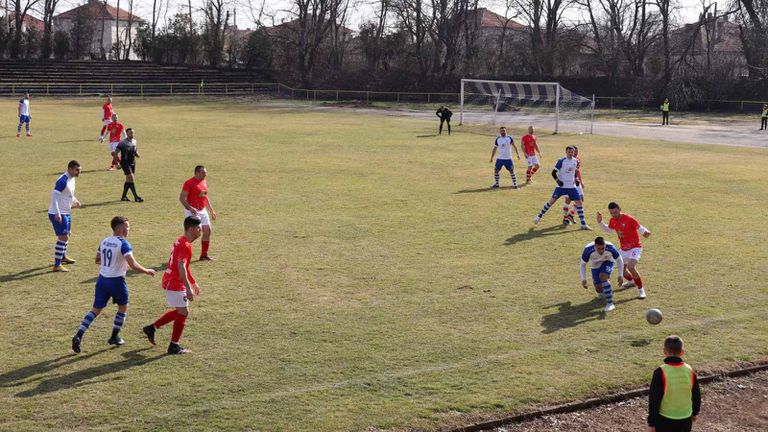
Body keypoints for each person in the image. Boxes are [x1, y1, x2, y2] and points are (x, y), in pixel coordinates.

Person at [71, 216, 156, 353]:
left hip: (102, 280)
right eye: (127, 227)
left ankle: (78, 335)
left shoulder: (104, 241)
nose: (129, 229)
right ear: (121, 228)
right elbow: (133, 265)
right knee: (123, 308)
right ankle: (114, 336)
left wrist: (115, 263)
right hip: (116, 281)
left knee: (95, 310)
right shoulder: (124, 244)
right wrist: (147, 271)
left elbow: (98, 260)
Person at [143, 216, 203, 354]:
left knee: (180, 311)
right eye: (199, 228)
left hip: (172, 280)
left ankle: (152, 328)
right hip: (174, 283)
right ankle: (173, 346)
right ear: (192, 229)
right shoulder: (185, 245)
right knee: (183, 312)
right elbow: (181, 266)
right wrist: (188, 288)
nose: (201, 231)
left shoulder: (181, 241)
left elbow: (185, 266)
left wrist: (193, 283)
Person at [597, 202, 652, 299]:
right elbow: (609, 230)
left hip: (635, 247)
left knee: (631, 267)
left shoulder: (629, 218)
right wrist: (600, 222)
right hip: (623, 249)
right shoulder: (612, 220)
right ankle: (631, 281)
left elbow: (639, 227)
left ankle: (641, 290)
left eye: (615, 212)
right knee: (621, 269)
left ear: (619, 209)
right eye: (611, 213)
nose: (614, 215)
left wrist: (645, 232)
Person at [648, 335, 701, 432]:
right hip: (686, 418)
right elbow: (696, 394)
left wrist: (652, 422)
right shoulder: (689, 370)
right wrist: (694, 413)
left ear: (664, 351)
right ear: (682, 352)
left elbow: (654, 399)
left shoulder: (660, 372)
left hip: (665, 419)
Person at [533, 146, 591, 230]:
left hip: (571, 187)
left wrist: (576, 179)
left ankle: (583, 224)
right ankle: (538, 217)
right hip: (561, 187)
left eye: (572, 152)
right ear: (566, 152)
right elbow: (553, 172)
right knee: (551, 202)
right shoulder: (561, 161)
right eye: (569, 152)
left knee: (579, 203)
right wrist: (558, 181)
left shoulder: (576, 161)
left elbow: (574, 172)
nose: (571, 154)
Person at [48, 160, 82, 272]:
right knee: (64, 237)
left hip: (66, 212)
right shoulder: (62, 180)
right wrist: (57, 213)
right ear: (70, 169)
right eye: (77, 170)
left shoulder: (72, 179)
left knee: (67, 234)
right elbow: (54, 196)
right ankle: (57, 265)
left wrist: (75, 201)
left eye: (79, 170)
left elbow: (69, 194)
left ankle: (62, 257)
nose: (79, 172)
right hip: (58, 213)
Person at [180, 165, 218, 261]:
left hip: (202, 210)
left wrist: (212, 210)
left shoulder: (204, 182)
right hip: (192, 211)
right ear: (197, 173)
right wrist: (190, 208)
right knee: (195, 234)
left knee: (208, 231)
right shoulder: (189, 183)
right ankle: (179, 249)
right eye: (203, 172)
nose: (205, 174)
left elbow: (205, 197)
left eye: (205, 172)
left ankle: (204, 255)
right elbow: (181, 198)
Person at [579, 236, 624, 312]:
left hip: (608, 262)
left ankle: (610, 303)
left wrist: (620, 275)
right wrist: (583, 279)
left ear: (605, 245)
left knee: (603, 277)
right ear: (595, 246)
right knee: (599, 289)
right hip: (595, 265)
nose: (601, 251)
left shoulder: (610, 247)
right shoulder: (588, 249)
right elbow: (582, 264)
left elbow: (619, 260)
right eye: (598, 249)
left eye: (602, 248)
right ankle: (606, 292)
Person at [116, 128, 143, 202]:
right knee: (131, 178)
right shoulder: (122, 142)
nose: (132, 134)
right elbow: (116, 153)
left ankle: (123, 197)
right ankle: (136, 197)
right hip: (124, 163)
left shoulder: (134, 141)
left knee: (129, 180)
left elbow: (135, 149)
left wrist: (137, 154)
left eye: (133, 133)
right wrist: (117, 163)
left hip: (132, 163)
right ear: (127, 134)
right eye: (130, 133)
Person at [563, 145, 584, 225]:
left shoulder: (577, 160)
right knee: (568, 200)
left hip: (576, 182)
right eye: (573, 152)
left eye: (576, 152)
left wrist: (581, 182)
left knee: (581, 199)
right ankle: (565, 218)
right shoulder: (565, 160)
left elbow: (577, 171)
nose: (575, 153)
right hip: (568, 183)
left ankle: (571, 215)